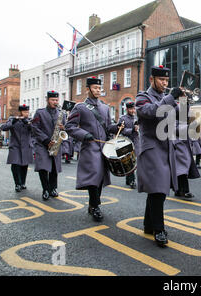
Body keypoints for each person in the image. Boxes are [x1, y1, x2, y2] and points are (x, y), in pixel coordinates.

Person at [135, 65, 183, 247]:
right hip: (151, 147)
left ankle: (149, 225)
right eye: (161, 80)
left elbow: (180, 115)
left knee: (158, 189)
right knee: (158, 189)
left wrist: (184, 101)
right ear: (152, 79)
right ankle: (159, 229)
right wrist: (171, 97)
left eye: (167, 81)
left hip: (166, 146)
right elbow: (149, 112)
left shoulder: (166, 98)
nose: (165, 83)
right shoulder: (142, 97)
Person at [66, 77, 119, 221]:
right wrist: (84, 134)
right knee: (93, 176)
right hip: (89, 147)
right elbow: (69, 127)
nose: (98, 90)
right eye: (94, 88)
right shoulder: (80, 107)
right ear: (87, 89)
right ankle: (95, 206)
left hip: (104, 148)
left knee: (100, 177)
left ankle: (93, 204)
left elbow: (108, 127)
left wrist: (118, 126)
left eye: (99, 88)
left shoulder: (104, 107)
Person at [31, 91, 65, 201]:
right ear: (47, 100)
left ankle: (53, 188)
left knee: (54, 168)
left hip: (56, 143)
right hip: (42, 144)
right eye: (52, 100)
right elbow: (35, 127)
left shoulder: (61, 113)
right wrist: (46, 140)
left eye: (56, 100)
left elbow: (66, 128)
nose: (55, 102)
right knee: (43, 167)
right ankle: (45, 189)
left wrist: (63, 128)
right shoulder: (39, 113)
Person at [0, 104, 33, 192]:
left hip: (26, 146)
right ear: (20, 112)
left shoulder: (30, 120)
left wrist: (28, 123)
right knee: (15, 165)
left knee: (24, 166)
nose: (27, 113)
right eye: (25, 112)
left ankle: (22, 183)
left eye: (27, 112)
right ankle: (17, 184)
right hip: (15, 146)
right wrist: (13, 122)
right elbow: (3, 127)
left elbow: (35, 129)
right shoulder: (12, 119)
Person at [173, 101, 200, 199]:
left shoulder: (183, 119)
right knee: (182, 169)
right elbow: (175, 129)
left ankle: (178, 190)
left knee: (182, 169)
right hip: (178, 145)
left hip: (185, 145)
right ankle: (185, 190)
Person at [118, 100, 139, 189]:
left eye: (133, 109)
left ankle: (129, 179)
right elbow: (121, 131)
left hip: (136, 141)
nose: (132, 110)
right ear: (126, 109)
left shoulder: (137, 118)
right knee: (129, 161)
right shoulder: (122, 118)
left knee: (134, 161)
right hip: (126, 142)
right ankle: (131, 180)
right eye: (130, 109)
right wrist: (132, 130)